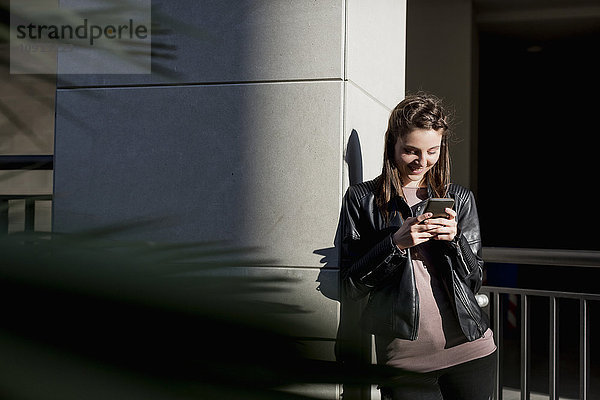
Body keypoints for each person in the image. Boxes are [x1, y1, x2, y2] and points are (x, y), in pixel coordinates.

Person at [340, 93, 496, 400]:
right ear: (392, 144)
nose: (421, 162)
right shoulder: (362, 199)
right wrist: (395, 244)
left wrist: (456, 241)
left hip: (472, 350)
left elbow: (475, 277)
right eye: (410, 151)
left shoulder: (460, 199)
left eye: (432, 151)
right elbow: (349, 285)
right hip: (404, 361)